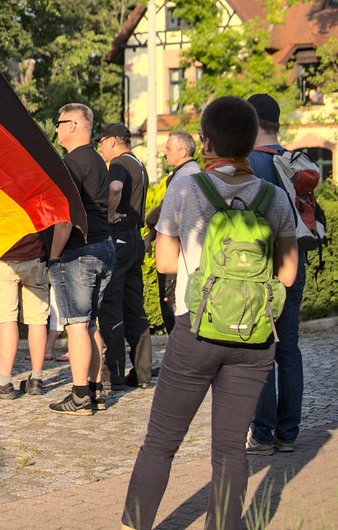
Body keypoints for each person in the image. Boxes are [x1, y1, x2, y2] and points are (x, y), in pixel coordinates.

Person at [121, 96, 298, 530]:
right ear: (251, 141)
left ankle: (135, 524)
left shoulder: (186, 186)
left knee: (162, 442)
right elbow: (289, 275)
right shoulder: (273, 198)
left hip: (195, 330)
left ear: (207, 141)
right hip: (254, 338)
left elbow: (164, 263)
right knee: (230, 450)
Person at [246, 93, 307, 456]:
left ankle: (263, 433)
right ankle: (290, 432)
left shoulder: (250, 164)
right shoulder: (295, 159)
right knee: (290, 349)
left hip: (260, 270)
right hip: (295, 263)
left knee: (262, 349)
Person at [47, 103, 114, 415]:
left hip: (78, 251)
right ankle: (96, 389)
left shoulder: (70, 163)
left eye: (59, 123)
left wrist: (54, 254)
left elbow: (65, 217)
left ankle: (79, 396)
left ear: (73, 125)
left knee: (76, 324)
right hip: (103, 247)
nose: (56, 128)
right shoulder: (99, 161)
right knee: (90, 325)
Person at [96, 123, 153, 389]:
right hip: (134, 238)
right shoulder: (139, 164)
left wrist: (108, 215)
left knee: (112, 306)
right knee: (135, 307)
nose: (100, 148)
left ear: (111, 141)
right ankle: (142, 372)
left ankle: (114, 373)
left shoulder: (118, 163)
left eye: (101, 142)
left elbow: (115, 188)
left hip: (118, 237)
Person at [0, 231, 51, 398]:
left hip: (2, 260)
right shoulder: (35, 201)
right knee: (37, 319)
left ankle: (3, 381)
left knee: (6, 319)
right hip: (35, 258)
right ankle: (36, 379)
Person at [143, 130, 200, 333]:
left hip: (179, 254)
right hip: (178, 252)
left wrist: (150, 223)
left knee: (175, 310)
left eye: (168, 148)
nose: (164, 152)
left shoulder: (187, 176)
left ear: (183, 151)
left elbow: (167, 210)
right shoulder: (182, 174)